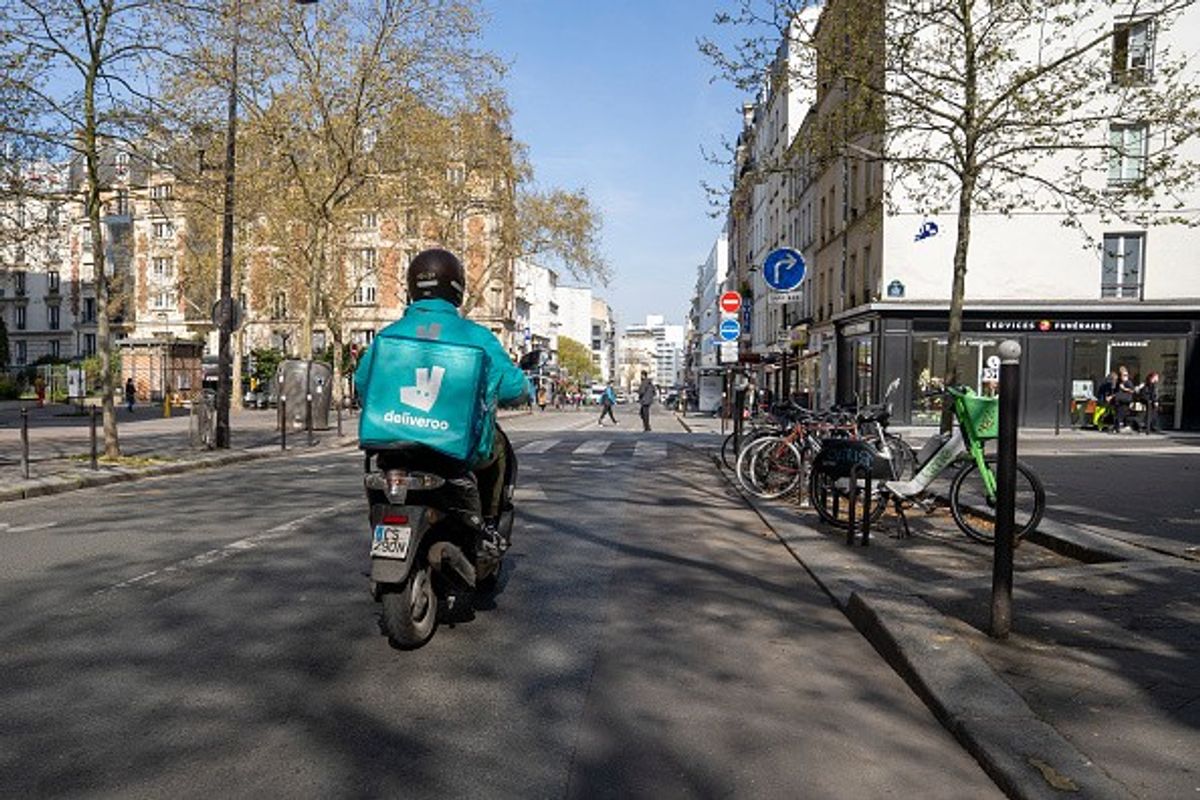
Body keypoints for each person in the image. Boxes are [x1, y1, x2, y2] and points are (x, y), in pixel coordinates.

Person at [354, 248, 530, 554]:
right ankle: (488, 527)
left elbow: (362, 386)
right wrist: (522, 390)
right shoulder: (476, 336)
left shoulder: (385, 336)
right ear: (457, 288)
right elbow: (513, 388)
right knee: (499, 449)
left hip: (393, 448)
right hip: (454, 451)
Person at [1113, 365, 1136, 432]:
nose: (1125, 377)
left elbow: (1132, 390)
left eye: (1126, 375)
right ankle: (1117, 427)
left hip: (1125, 400)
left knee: (1123, 413)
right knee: (1118, 413)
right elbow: (1116, 391)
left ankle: (1122, 426)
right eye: (1123, 375)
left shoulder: (1128, 382)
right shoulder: (1119, 382)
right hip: (1119, 401)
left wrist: (1124, 388)